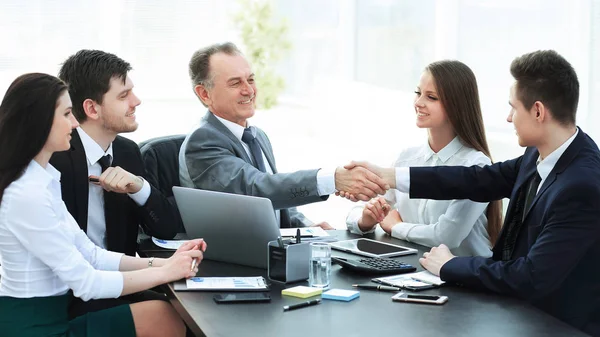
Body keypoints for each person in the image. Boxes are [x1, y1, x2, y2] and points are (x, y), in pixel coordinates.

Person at [345, 50, 600, 335]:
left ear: (538, 111)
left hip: (556, 325)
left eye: (513, 108)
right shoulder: (537, 154)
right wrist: (388, 175)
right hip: (513, 311)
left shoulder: (582, 186)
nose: (507, 118)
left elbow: (532, 276)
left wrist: (451, 266)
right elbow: (474, 179)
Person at [0, 73, 206, 337]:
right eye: (66, 114)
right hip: (33, 327)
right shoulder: (26, 194)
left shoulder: (42, 179)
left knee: (164, 315)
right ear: (38, 122)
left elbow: (92, 254)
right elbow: (86, 282)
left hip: (51, 315)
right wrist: (167, 272)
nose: (74, 123)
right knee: (164, 317)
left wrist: (163, 264)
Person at [179, 42, 389, 228]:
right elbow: (256, 190)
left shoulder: (256, 136)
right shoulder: (203, 141)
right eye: (235, 83)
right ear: (205, 94)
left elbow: (277, 201)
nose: (249, 90)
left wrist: (309, 227)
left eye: (250, 80)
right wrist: (332, 179)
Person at [50, 50, 182, 318]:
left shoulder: (127, 152)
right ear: (91, 108)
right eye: (123, 96)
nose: (137, 101)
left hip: (121, 284)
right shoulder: (55, 158)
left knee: (189, 310)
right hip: (67, 295)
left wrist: (139, 188)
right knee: (168, 315)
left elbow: (167, 228)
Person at [346, 60, 502, 257]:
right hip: (415, 274)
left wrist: (396, 227)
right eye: (418, 93)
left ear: (457, 104)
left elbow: (447, 237)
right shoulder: (407, 158)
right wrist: (366, 219)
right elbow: (356, 213)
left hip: (464, 282)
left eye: (431, 97)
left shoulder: (476, 165)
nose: (418, 102)